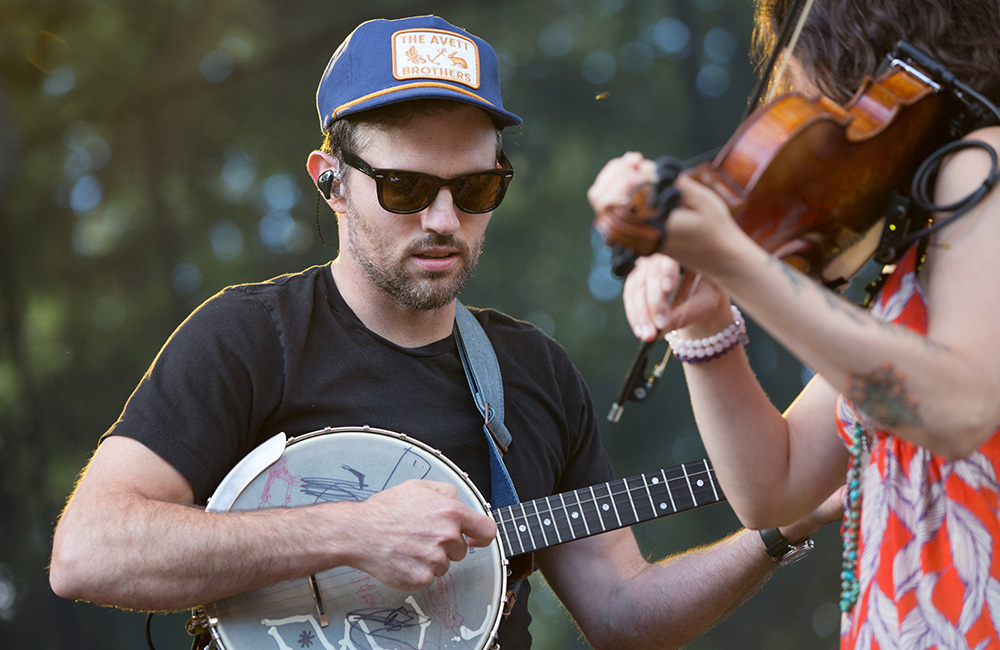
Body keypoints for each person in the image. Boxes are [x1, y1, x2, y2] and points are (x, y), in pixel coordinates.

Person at [49, 15, 836, 650]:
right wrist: (353, 531)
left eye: (476, 187)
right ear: (330, 182)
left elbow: (623, 611)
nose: (442, 220)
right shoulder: (250, 339)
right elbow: (88, 552)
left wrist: (778, 524)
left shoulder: (533, 372)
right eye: (403, 186)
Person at [588, 0, 1000, 648]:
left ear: (854, 50)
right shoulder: (912, 260)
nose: (796, 112)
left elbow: (960, 407)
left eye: (799, 79)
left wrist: (736, 258)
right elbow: (773, 488)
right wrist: (705, 322)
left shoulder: (986, 163)